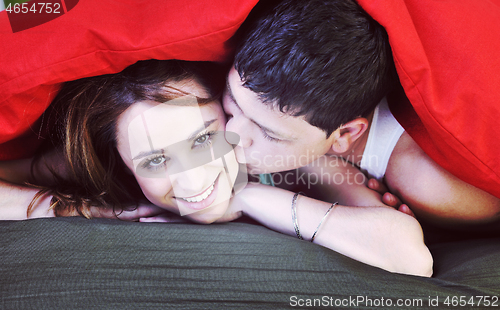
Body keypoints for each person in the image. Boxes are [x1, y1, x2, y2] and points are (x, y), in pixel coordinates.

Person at [0, 59, 432, 276]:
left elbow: (410, 257)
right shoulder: (104, 165)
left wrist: (250, 195)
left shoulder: (291, 160)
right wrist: (79, 210)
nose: (192, 178)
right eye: (155, 160)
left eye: (205, 139)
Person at [223, 0, 500, 230]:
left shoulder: (424, 181)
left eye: (268, 133)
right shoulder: (301, 125)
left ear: (345, 135)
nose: (232, 134)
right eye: (232, 101)